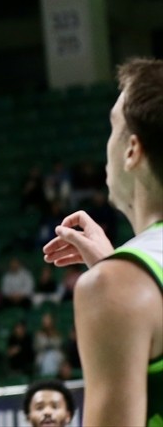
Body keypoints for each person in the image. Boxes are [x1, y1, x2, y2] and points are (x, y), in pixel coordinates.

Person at [42, 57, 163, 426]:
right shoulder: (130, 283)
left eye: (113, 126)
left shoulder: (115, 286)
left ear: (132, 151)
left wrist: (117, 282)